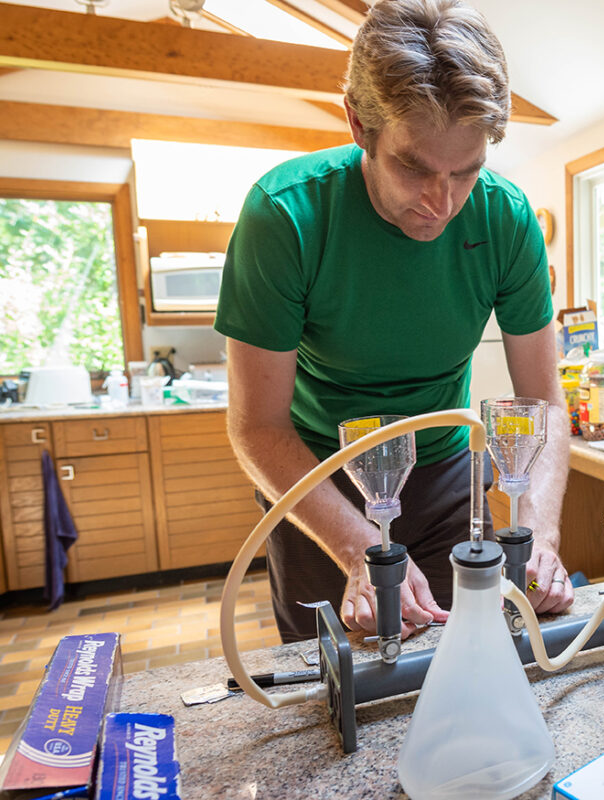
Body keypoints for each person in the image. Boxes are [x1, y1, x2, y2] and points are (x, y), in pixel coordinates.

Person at [214, 0, 573, 643]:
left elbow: (542, 402)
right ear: (357, 122)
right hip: (318, 476)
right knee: (341, 684)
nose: (441, 204)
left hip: (444, 478)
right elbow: (258, 427)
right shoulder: (285, 215)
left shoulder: (505, 217)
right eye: (415, 167)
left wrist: (542, 534)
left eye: (466, 172)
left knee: (472, 650)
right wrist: (356, 550)